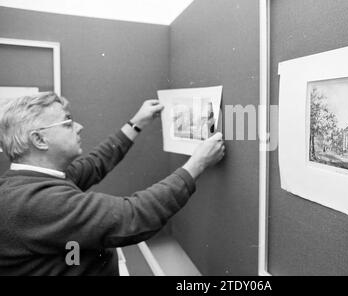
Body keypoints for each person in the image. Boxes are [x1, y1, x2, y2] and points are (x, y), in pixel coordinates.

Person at [0, 92, 225, 275]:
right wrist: (197, 163)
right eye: (68, 123)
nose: (78, 126)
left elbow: (96, 163)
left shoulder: (32, 181)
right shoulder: (35, 201)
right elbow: (131, 215)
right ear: (39, 140)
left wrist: (136, 123)